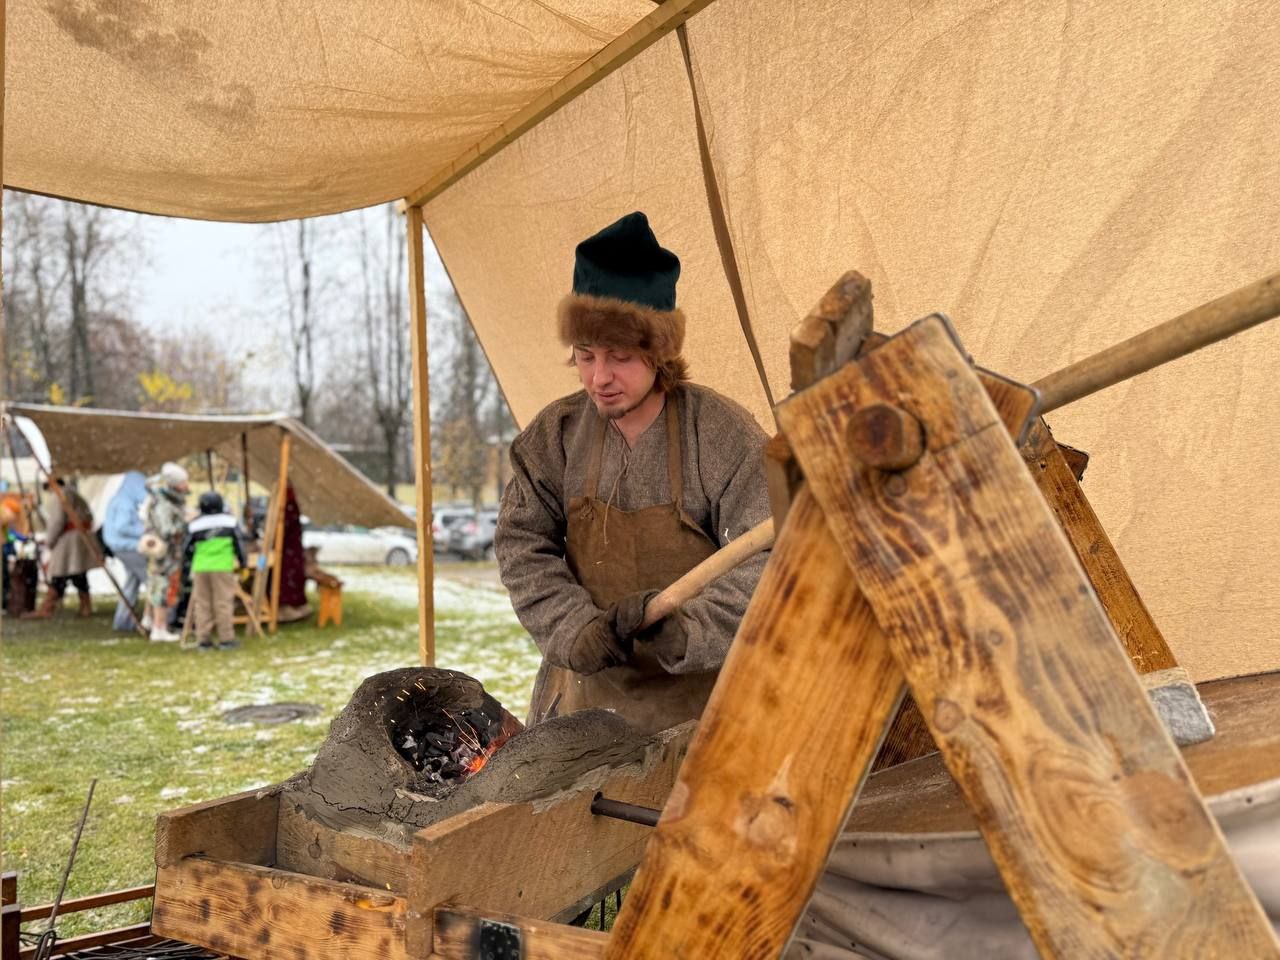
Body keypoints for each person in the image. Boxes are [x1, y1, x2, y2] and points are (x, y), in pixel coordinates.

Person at [494, 211, 771, 734]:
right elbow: (521, 543)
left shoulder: (722, 435)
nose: (600, 378)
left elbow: (767, 558)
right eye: (585, 355)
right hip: (585, 706)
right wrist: (574, 630)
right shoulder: (555, 436)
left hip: (706, 712)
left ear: (658, 350)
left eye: (620, 356)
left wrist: (690, 632)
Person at [180, 491, 245, 650]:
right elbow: (239, 545)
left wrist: (188, 564)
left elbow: (186, 548)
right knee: (223, 602)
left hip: (201, 567)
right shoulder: (229, 522)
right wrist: (242, 562)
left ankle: (203, 639)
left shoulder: (195, 525)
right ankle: (226, 638)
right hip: (222, 566)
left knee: (202, 604)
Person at [24, 477, 97, 618]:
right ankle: (85, 606)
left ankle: (47, 608)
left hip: (70, 539)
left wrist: (50, 541)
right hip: (78, 536)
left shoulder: (60, 495)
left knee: (60, 574)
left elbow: (57, 522)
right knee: (77, 574)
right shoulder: (71, 493)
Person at [142, 462, 190, 642]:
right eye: (184, 482)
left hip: (165, 553)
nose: (187, 486)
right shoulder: (164, 504)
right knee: (162, 588)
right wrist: (185, 522)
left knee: (157, 586)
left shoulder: (165, 500)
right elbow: (166, 530)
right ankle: (159, 628)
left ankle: (152, 622)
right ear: (176, 484)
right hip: (165, 554)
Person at [101, 471, 149, 632]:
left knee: (132, 583)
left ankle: (123, 621)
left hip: (120, 546)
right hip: (127, 547)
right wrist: (145, 531)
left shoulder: (122, 499)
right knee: (152, 581)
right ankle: (160, 619)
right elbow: (122, 527)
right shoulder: (124, 503)